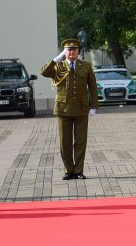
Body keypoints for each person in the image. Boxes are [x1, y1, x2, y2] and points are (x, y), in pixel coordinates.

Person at [41, 38, 98, 180]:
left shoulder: (86, 66)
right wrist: (55, 60)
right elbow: (44, 72)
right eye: (68, 50)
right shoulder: (58, 66)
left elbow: (92, 87)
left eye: (74, 49)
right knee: (64, 142)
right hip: (63, 109)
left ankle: (78, 170)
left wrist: (94, 106)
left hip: (81, 109)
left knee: (80, 141)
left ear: (78, 51)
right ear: (64, 52)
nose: (71, 52)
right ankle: (68, 170)